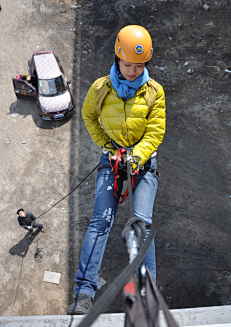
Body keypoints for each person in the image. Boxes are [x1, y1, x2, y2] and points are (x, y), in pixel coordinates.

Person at [67, 25, 166, 315]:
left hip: (143, 164)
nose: (133, 71)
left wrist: (136, 156)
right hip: (111, 161)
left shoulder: (154, 93)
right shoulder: (100, 89)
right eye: (127, 65)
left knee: (142, 225)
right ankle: (84, 293)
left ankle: (148, 296)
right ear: (117, 59)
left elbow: (154, 132)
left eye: (139, 66)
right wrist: (108, 147)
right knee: (100, 221)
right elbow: (88, 116)